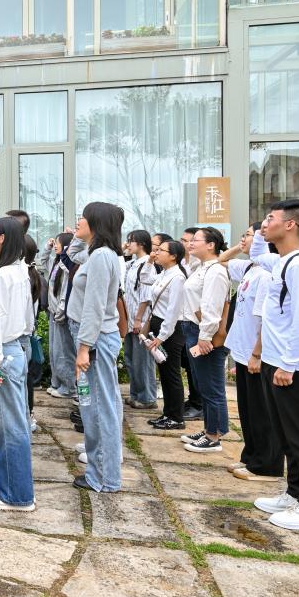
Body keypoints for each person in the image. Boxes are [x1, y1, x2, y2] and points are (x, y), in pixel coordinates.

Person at [250, 199, 299, 530]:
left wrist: (288, 364)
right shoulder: (280, 261)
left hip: (292, 367)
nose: (264, 223)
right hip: (275, 362)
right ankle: (295, 493)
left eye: (270, 218)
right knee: (285, 435)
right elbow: (257, 253)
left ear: (290, 225)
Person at [67, 202, 125, 493]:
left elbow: (95, 306)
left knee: (100, 409)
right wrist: (79, 236)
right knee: (98, 405)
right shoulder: (97, 253)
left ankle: (103, 477)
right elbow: (72, 253)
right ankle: (102, 471)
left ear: (96, 223)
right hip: (94, 339)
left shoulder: (101, 257)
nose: (79, 221)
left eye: (84, 218)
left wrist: (84, 348)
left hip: (96, 340)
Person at [219, 223, 282, 481]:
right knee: (247, 410)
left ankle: (267, 465)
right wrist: (240, 246)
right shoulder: (249, 268)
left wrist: (257, 354)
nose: (244, 240)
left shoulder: (267, 274)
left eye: (248, 235)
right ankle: (251, 456)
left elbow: (267, 319)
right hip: (243, 351)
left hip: (257, 354)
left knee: (261, 411)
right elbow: (221, 261)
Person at [0, 217, 36, 513]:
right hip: (16, 348)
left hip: (4, 351)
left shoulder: (4, 275)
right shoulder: (20, 271)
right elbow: (27, 320)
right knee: (11, 424)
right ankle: (10, 486)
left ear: (2, 238)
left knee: (10, 427)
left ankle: (17, 495)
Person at [179, 226, 231, 454]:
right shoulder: (201, 267)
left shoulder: (216, 271)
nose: (190, 243)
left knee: (212, 386)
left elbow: (212, 307)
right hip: (194, 329)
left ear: (211, 245)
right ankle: (209, 429)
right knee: (204, 384)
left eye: (196, 240)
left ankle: (214, 436)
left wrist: (205, 336)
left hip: (203, 332)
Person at [144, 240, 189, 430]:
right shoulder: (164, 273)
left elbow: (173, 310)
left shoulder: (177, 277)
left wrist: (162, 336)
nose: (157, 252)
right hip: (159, 325)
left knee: (171, 373)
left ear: (173, 256)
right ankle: (168, 413)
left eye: (161, 250)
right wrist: (149, 261)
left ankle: (176, 417)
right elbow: (145, 278)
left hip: (169, 329)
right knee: (164, 372)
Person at [123, 230, 158, 409]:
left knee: (142, 360)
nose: (128, 244)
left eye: (131, 241)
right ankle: (136, 393)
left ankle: (147, 397)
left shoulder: (147, 264)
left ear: (141, 244)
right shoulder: (133, 263)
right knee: (131, 359)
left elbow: (145, 296)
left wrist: (138, 320)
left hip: (140, 319)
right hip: (130, 319)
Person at [42, 232, 77, 398]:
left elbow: (64, 292)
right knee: (55, 351)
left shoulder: (66, 266)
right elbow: (43, 261)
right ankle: (57, 382)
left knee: (64, 351)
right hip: (53, 312)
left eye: (57, 243)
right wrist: (47, 247)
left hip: (61, 315)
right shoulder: (56, 264)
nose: (55, 245)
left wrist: (61, 312)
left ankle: (69, 387)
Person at [176, 227, 203, 420]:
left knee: (198, 367)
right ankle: (193, 399)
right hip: (184, 320)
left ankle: (199, 404)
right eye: (184, 240)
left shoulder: (199, 264)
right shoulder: (184, 263)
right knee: (189, 364)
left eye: (190, 240)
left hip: (197, 322)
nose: (186, 244)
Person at [22, 235, 45, 419]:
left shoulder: (25, 277)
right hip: (27, 334)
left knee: (24, 379)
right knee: (26, 378)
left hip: (22, 336)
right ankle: (28, 414)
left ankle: (27, 416)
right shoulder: (31, 274)